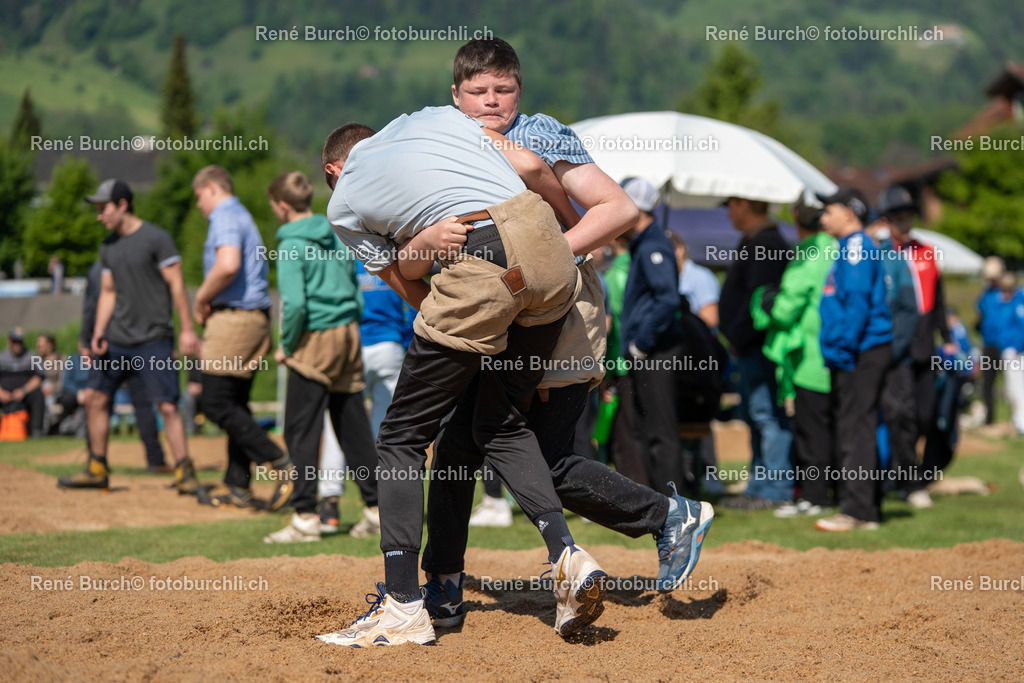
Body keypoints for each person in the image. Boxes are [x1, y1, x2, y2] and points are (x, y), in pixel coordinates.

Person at [420, 37, 712, 634]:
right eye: (477, 91)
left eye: (503, 88)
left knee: (545, 462)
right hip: (484, 314)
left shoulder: (542, 135)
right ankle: (443, 584)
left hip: (559, 313)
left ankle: (666, 517)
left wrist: (541, 259)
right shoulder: (442, 144)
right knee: (454, 453)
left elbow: (617, 210)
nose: (491, 101)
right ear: (456, 95)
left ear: (519, 90)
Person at [318, 106, 605, 647]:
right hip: (549, 244)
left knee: (401, 435)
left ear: (334, 169)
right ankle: (567, 554)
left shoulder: (343, 202)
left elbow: (413, 294)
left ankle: (403, 604)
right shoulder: (432, 117)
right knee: (498, 421)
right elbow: (529, 164)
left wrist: (454, 311)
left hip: (479, 253)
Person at [57, 179, 199, 492]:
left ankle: (184, 471)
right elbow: (108, 292)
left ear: (122, 204)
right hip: (116, 339)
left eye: (103, 208)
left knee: (167, 406)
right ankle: (97, 467)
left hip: (154, 339)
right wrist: (97, 331)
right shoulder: (107, 246)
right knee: (94, 398)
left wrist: (187, 329)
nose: (99, 215)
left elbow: (177, 285)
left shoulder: (156, 238)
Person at [263, 171, 380, 544]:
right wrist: (352, 321)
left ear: (282, 206)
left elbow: (295, 304)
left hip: (315, 336)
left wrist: (287, 344)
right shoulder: (333, 232)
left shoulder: (290, 245)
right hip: (348, 332)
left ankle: (304, 517)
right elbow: (353, 282)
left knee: (300, 429)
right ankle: (377, 510)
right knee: (353, 427)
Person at [191, 165, 294, 510]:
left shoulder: (225, 215)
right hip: (252, 317)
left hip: (235, 319)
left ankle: (281, 463)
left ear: (209, 188)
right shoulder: (240, 214)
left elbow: (228, 263)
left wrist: (201, 297)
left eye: (198, 197)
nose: (197, 205)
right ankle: (238, 486)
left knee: (216, 403)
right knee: (235, 403)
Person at [749, 203, 836, 517]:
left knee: (810, 431)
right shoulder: (836, 247)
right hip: (834, 353)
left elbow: (786, 309)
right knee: (831, 428)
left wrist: (764, 300)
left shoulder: (810, 252)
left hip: (808, 357)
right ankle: (829, 493)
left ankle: (814, 497)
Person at [815, 188, 893, 532]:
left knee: (855, 429)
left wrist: (842, 348)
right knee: (858, 426)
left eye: (828, 210)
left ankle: (858, 511)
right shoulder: (849, 247)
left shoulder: (858, 247)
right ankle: (866, 506)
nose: (822, 218)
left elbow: (858, 304)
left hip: (860, 351)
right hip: (857, 350)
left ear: (849, 212)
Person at [718, 196, 794, 509]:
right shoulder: (756, 241)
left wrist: (738, 334)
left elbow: (760, 301)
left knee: (767, 415)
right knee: (756, 415)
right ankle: (760, 485)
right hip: (750, 346)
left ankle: (774, 489)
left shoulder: (767, 243)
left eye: (732, 205)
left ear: (746, 205)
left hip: (760, 346)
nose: (729, 213)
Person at [80, 257, 170, 472]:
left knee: (98, 401)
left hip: (110, 344)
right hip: (139, 343)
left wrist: (86, 340)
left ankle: (95, 460)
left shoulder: (98, 268)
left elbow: (91, 306)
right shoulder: (137, 264)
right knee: (142, 404)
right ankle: (155, 460)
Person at [865, 205, 924, 506]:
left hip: (895, 356)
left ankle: (910, 484)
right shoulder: (853, 256)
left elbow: (909, 310)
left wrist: (894, 348)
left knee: (901, 416)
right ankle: (873, 483)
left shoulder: (895, 260)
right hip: (862, 357)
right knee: (865, 422)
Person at [977, 256, 1008, 426]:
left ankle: (1018, 419)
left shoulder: (1008, 293)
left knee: (1013, 384)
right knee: (987, 384)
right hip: (989, 344)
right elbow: (981, 314)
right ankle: (990, 419)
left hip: (1007, 344)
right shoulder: (986, 294)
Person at [0, 328, 45, 438]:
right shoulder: (1, 358)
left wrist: (23, 391)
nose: (17, 345)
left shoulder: (32, 356)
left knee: (38, 395)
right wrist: (1, 393)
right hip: (4, 392)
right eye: (14, 341)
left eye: (19, 341)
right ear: (9, 342)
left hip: (25, 392)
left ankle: (36, 430)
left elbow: (38, 378)